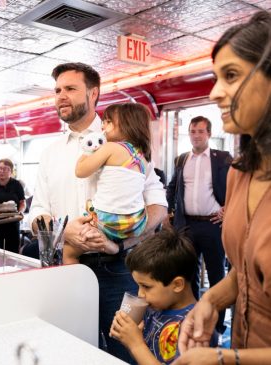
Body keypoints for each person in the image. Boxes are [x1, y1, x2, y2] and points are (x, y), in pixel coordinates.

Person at [28, 62, 168, 362]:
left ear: (94, 94)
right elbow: (36, 212)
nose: (60, 96)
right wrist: (64, 231)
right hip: (67, 269)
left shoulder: (124, 142)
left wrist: (124, 241)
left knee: (129, 347)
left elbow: (158, 205)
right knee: (71, 349)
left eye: (70, 89)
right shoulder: (50, 154)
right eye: (57, 90)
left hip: (124, 268)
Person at [173, 10, 271, 365]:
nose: (215, 93)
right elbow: (246, 276)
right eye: (216, 77)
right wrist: (210, 301)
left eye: (231, 76)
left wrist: (224, 359)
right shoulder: (240, 173)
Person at [166, 116, 232, 336]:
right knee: (187, 275)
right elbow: (172, 187)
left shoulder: (222, 158)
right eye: (193, 131)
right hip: (187, 226)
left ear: (209, 134)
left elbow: (235, 186)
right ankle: (191, 319)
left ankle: (217, 325)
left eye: (200, 131)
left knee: (216, 276)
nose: (196, 135)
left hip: (213, 225)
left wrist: (228, 208)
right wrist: (170, 212)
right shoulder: (181, 159)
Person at [64, 102, 152, 264]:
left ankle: (72, 286)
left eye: (108, 121)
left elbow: (80, 171)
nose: (103, 125)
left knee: (69, 250)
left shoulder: (110, 147)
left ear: (127, 125)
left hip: (108, 220)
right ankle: (112, 248)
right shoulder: (143, 158)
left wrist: (89, 148)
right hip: (136, 222)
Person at [110, 227, 197, 365]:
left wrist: (136, 345)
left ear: (177, 285)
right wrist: (129, 337)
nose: (140, 294)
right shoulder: (156, 308)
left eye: (146, 286)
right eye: (138, 286)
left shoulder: (194, 326)